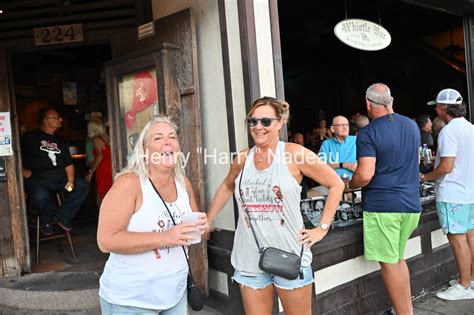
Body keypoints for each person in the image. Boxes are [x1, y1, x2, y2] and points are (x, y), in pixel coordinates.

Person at [205, 96, 344, 314]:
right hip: (249, 256)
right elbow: (226, 186)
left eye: (265, 121)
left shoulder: (293, 154)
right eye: (253, 121)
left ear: (280, 123)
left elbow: (336, 184)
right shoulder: (243, 159)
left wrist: (322, 229)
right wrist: (209, 218)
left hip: (289, 254)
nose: (258, 127)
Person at [97, 116, 208, 314]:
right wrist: (166, 237)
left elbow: (196, 235)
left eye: (172, 137)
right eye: (158, 138)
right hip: (131, 300)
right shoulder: (130, 183)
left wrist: (203, 227)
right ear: (144, 150)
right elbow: (106, 240)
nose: (167, 141)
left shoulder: (184, 184)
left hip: (175, 295)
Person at [348, 83, 421, 314]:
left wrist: (349, 185)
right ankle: (407, 309)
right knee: (398, 260)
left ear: (368, 104)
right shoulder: (411, 125)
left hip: (383, 207)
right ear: (391, 100)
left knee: (389, 264)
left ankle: (404, 313)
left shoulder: (367, 133)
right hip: (411, 204)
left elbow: (365, 175)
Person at [421, 88, 474, 300]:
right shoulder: (470, 127)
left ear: (444, 108)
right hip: (469, 191)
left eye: (437, 106)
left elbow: (446, 167)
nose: (435, 109)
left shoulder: (448, 131)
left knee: (457, 239)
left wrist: (425, 177)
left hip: (452, 193)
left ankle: (463, 286)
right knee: (470, 236)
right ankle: (470, 280)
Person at [21, 107, 89, 236]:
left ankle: (62, 216)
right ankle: (46, 220)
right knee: (40, 195)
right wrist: (23, 171)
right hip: (37, 179)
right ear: (45, 120)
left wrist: (70, 181)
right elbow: (14, 155)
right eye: (56, 117)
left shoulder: (61, 141)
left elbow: (68, 163)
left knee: (82, 185)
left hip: (60, 180)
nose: (60, 119)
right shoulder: (29, 137)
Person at [309, 116, 357, 198]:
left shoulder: (357, 140)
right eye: (341, 125)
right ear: (332, 129)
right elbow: (319, 166)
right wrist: (342, 164)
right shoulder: (326, 144)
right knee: (309, 194)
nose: (345, 127)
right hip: (332, 185)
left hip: (354, 185)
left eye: (347, 125)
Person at [85, 118, 113, 207]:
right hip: (110, 166)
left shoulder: (95, 139)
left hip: (103, 167)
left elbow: (100, 156)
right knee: (110, 191)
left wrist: (91, 172)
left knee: (101, 193)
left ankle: (101, 217)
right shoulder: (107, 137)